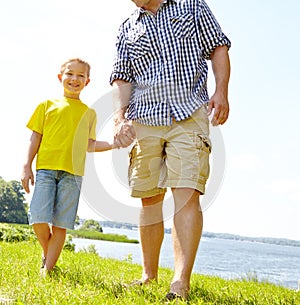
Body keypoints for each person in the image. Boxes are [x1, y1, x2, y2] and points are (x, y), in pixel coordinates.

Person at [110, 0, 231, 300]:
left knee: (186, 192)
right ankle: (148, 275)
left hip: (188, 112)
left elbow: (218, 47)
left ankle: (180, 282)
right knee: (149, 197)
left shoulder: (191, 5)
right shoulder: (127, 28)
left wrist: (221, 91)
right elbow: (122, 77)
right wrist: (119, 117)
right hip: (145, 117)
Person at [21, 58, 117, 276]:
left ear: (87, 82)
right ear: (60, 77)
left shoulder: (89, 113)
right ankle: (49, 254)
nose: (74, 79)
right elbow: (35, 137)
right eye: (70, 74)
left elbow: (89, 145)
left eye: (80, 76)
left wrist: (112, 144)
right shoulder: (46, 105)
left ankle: (48, 270)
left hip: (72, 175)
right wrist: (26, 165)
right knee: (37, 218)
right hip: (45, 170)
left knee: (61, 224)